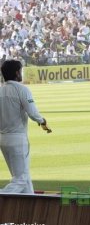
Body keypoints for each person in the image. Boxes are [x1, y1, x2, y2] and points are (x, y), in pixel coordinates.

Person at [0, 60, 51, 194]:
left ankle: (30, 207)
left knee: (25, 177)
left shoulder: (1, 90)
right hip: (17, 139)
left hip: (3, 139)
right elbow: (33, 113)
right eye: (21, 70)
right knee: (21, 179)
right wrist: (43, 122)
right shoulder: (22, 89)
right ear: (17, 73)